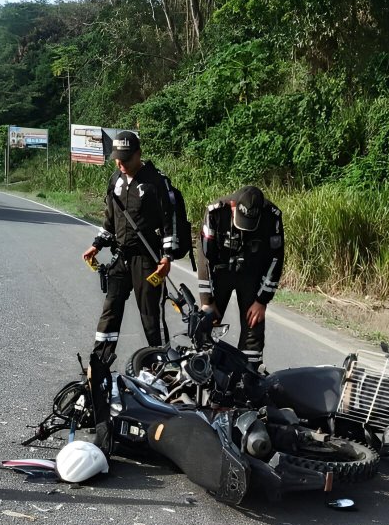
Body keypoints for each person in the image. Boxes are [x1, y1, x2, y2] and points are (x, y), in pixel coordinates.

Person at [81, 131, 181, 367]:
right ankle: (99, 362)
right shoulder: (115, 179)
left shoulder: (156, 182)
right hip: (121, 256)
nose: (120, 164)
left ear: (138, 154)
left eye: (125, 159)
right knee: (111, 309)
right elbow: (110, 219)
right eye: (117, 159)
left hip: (148, 260)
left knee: (150, 315)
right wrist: (97, 245)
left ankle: (162, 365)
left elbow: (170, 223)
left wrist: (167, 258)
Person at [195, 186, 284, 368]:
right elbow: (205, 258)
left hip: (251, 275)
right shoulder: (215, 212)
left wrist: (262, 300)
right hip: (221, 272)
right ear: (233, 206)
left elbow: (276, 259)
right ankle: (202, 369)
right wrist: (207, 300)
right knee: (207, 323)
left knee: (253, 329)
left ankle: (249, 375)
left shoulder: (272, 216)